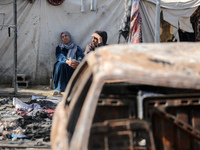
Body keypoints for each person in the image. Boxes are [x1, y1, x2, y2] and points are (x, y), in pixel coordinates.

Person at [53, 31, 84, 95]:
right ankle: (61, 87)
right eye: (62, 37)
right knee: (62, 64)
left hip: (74, 63)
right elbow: (59, 56)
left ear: (69, 37)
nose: (64, 38)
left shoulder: (76, 47)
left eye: (66, 36)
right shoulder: (59, 47)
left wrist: (77, 62)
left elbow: (80, 56)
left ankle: (73, 87)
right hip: (63, 62)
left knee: (77, 66)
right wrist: (67, 61)